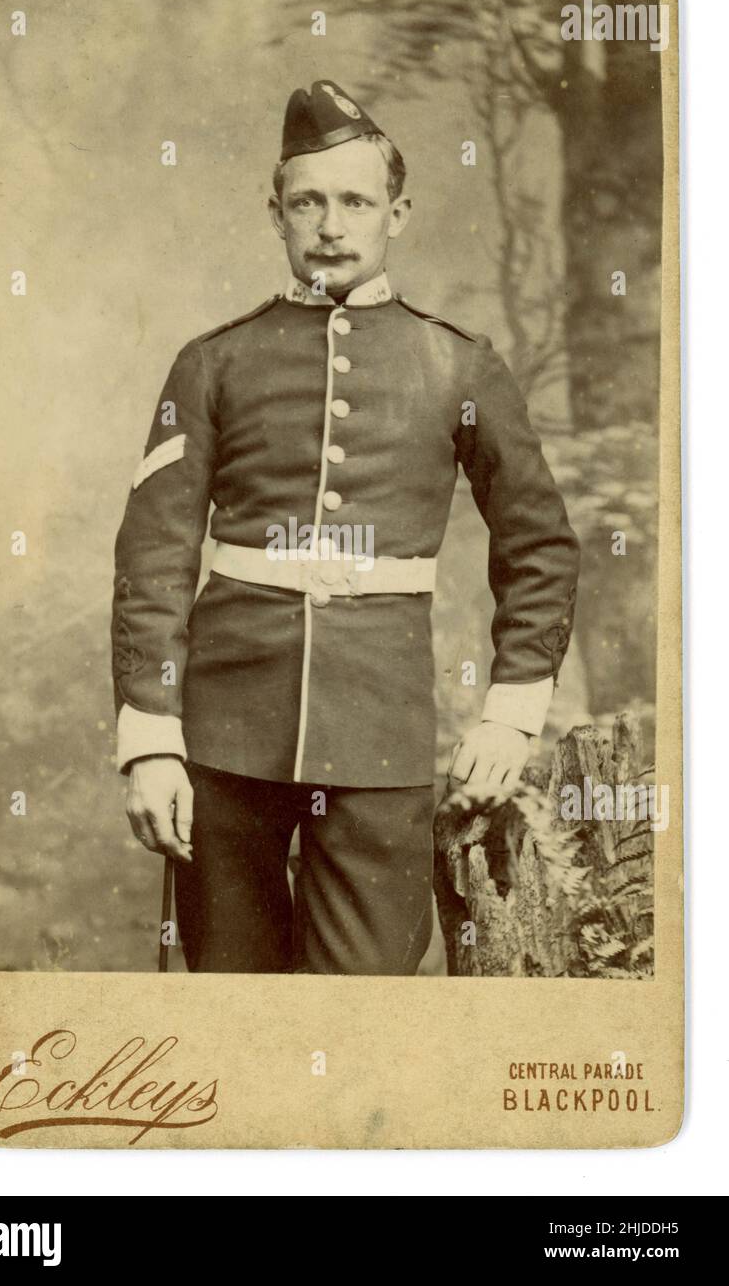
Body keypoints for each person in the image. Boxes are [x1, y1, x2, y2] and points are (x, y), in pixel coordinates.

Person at [110, 78, 580, 975]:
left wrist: (511, 718)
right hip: (222, 736)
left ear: (395, 213)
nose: (331, 224)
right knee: (231, 1012)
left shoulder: (458, 364)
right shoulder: (215, 362)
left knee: (365, 1010)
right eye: (308, 202)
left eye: (356, 201)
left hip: (381, 730)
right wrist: (151, 742)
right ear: (276, 213)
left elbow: (539, 546)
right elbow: (153, 558)